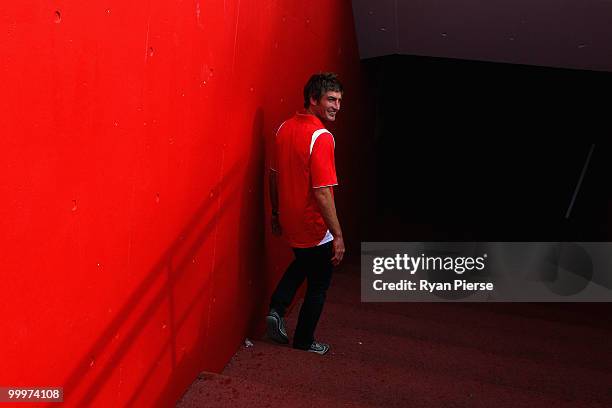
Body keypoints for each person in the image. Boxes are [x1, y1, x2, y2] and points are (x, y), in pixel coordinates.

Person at [266, 72, 345, 355]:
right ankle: (304, 340)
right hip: (313, 224)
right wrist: (337, 235)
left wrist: (276, 213)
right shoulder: (322, 137)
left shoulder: (283, 128)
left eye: (339, 100)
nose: (337, 106)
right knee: (319, 285)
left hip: (290, 219)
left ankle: (276, 307)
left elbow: (273, 177)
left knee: (303, 261)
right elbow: (323, 192)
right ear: (313, 99)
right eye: (331, 99)